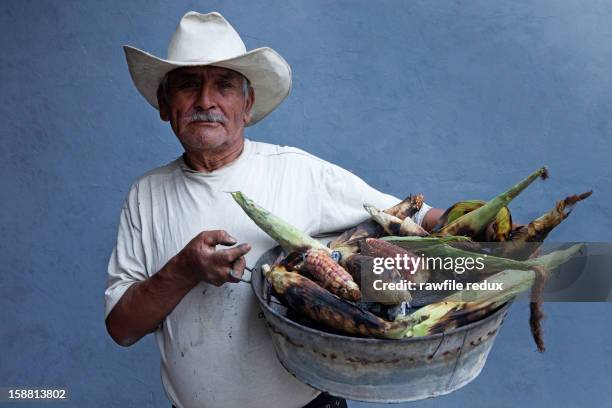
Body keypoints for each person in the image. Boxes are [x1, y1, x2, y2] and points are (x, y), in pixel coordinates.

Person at [104, 11, 442, 408]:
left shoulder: (298, 172)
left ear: (247, 105)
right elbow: (122, 328)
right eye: (188, 85)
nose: (205, 101)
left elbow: (415, 219)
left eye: (224, 85)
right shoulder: (146, 195)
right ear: (165, 104)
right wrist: (184, 269)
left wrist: (496, 240)